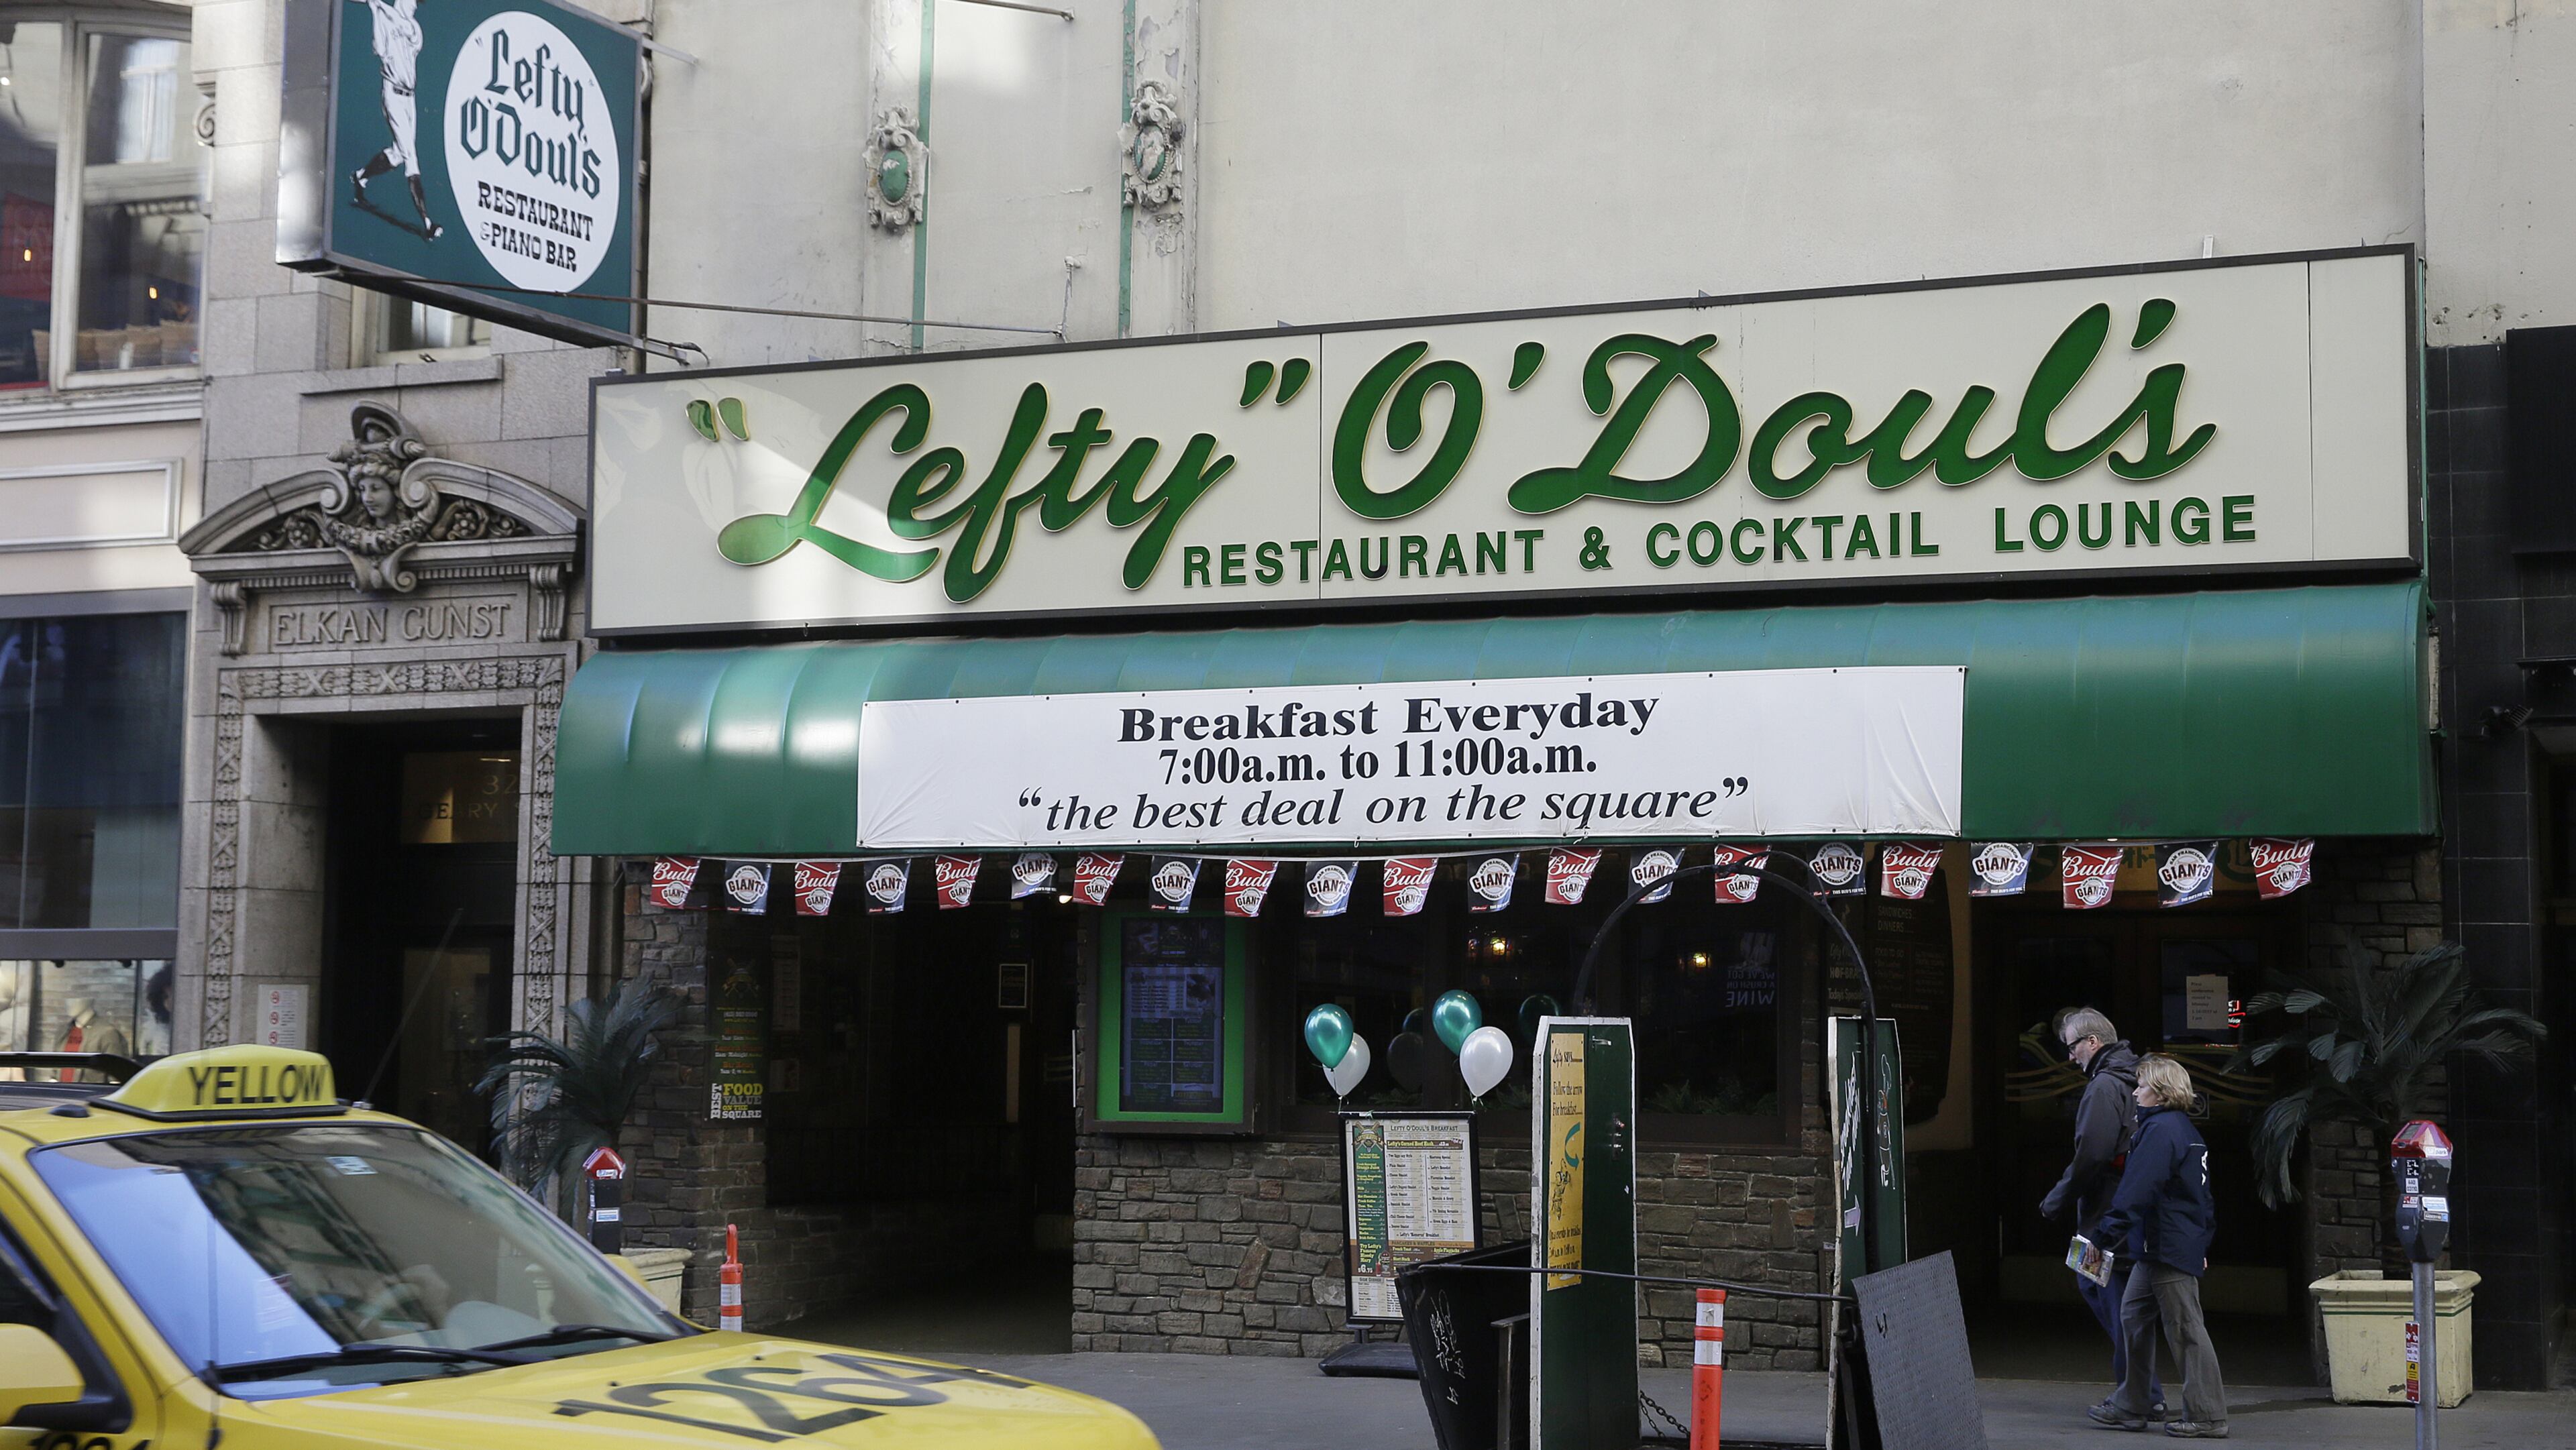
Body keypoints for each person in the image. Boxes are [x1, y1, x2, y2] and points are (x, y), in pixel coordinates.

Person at [2090, 1054, 2226, 1439]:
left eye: (2142, 1086)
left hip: (2165, 1247)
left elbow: (2137, 1190)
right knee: (2132, 1317)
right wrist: (2201, 1241)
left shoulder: (2160, 1132)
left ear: (2161, 1093)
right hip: (2163, 1246)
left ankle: (2207, 1415)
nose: (2135, 1092)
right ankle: (2132, 1404)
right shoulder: (2184, 1130)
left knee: (2185, 1329)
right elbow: (2203, 1199)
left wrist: (2102, 1237)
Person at [2039, 1008, 2163, 1420]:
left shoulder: (2104, 1087)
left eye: (2073, 1047)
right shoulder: (2136, 1077)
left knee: (2102, 1289)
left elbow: (2091, 1154)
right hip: (2129, 1211)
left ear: (2092, 1043)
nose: (2070, 1056)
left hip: (2105, 1215)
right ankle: (2148, 1392)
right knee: (2121, 1297)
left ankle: (2139, 1396)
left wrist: (2057, 1199)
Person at [347, 0, 443, 239]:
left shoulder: (414, 27)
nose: (414, 5)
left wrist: (377, 3)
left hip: (410, 98)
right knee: (412, 158)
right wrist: (374, 10)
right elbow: (379, 49)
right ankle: (428, 223)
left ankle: (360, 176)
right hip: (392, 94)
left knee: (399, 154)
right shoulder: (384, 17)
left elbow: (401, 23)